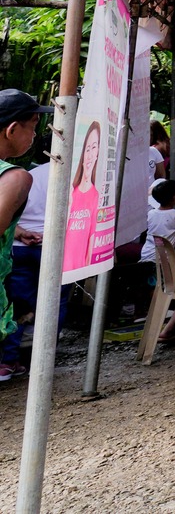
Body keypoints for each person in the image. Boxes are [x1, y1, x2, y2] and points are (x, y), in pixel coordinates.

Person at [0, 91, 44, 384]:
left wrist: (17, 230)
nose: (35, 135)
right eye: (33, 126)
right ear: (13, 129)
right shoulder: (15, 177)